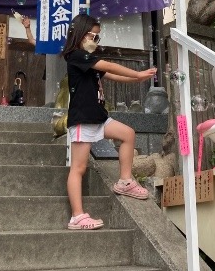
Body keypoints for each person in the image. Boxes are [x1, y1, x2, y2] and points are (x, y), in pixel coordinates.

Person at [62, 13, 157, 230]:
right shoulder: (76, 56)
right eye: (91, 36)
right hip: (82, 120)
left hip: (98, 117)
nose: (94, 41)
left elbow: (112, 75)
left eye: (97, 37)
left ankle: (124, 181)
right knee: (78, 168)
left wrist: (138, 78)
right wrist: (138, 73)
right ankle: (77, 216)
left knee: (128, 134)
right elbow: (110, 66)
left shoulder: (89, 63)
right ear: (79, 34)